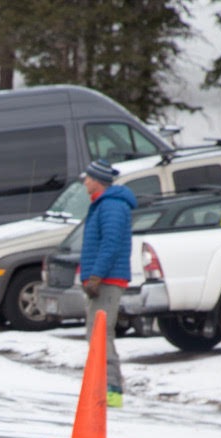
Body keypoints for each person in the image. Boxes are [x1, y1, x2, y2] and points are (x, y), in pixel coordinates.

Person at [78, 159, 137, 409]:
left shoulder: (111, 205)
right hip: (102, 279)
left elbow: (110, 244)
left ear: (97, 181)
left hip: (107, 281)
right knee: (96, 334)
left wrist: (96, 276)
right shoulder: (103, 204)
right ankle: (102, 388)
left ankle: (111, 391)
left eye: (88, 178)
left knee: (101, 335)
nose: (85, 182)